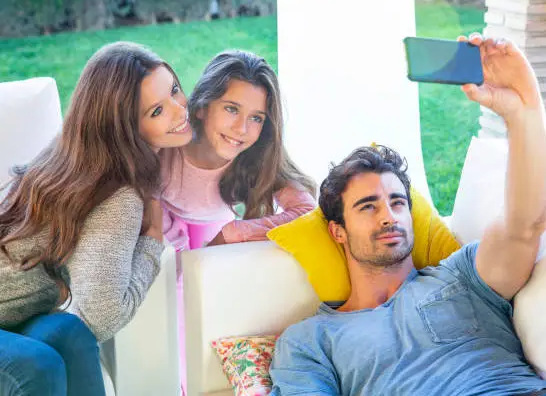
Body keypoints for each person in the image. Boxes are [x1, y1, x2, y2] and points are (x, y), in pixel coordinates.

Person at [269, 33, 546, 395]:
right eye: (368, 206)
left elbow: (525, 223)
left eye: (398, 202)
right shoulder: (310, 340)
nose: (389, 216)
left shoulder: (461, 276)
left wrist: (521, 108)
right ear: (338, 231)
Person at [0, 41, 193, 395]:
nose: (180, 111)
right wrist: (151, 238)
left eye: (175, 91)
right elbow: (103, 314)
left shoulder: (76, 150)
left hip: (9, 319)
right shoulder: (118, 192)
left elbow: (88, 322)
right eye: (156, 111)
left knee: (71, 335)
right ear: (124, 127)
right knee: (36, 366)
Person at [160, 49, 316, 251]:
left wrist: (234, 232)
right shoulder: (168, 145)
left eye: (256, 118)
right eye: (232, 109)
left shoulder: (258, 156)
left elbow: (307, 212)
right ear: (202, 107)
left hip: (213, 229)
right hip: (163, 225)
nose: (241, 129)